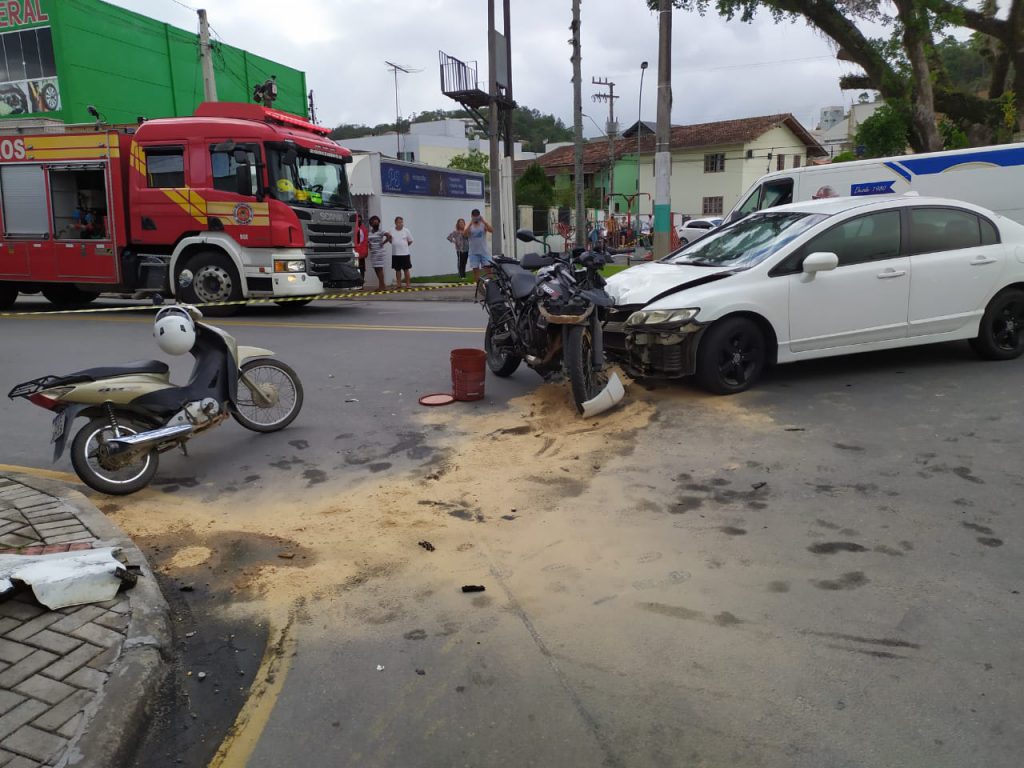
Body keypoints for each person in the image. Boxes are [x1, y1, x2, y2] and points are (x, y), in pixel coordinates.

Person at [464, 208, 493, 283]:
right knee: (476, 271)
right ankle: (479, 287)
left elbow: (491, 230)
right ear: (472, 216)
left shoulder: (483, 224)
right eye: (474, 216)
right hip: (473, 252)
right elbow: (464, 233)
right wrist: (471, 222)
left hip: (484, 251)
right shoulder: (469, 225)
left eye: (477, 216)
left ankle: (491, 285)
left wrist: (484, 221)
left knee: (488, 270)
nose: (476, 218)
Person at [389, 216, 414, 288]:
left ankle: (408, 284)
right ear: (395, 223)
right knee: (397, 270)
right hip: (395, 254)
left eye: (401, 222)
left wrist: (404, 246)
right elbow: (390, 241)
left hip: (405, 253)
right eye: (398, 222)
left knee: (406, 269)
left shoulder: (406, 230)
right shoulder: (391, 230)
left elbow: (410, 241)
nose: (400, 224)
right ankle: (399, 284)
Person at [366, 215, 389, 290]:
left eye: (377, 222)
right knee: (376, 269)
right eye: (374, 222)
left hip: (379, 252)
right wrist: (369, 244)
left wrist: (383, 243)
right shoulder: (370, 232)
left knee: (379, 268)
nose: (375, 223)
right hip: (373, 252)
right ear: (371, 224)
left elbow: (389, 236)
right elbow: (368, 240)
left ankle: (382, 286)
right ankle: (382, 285)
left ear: (379, 223)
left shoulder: (381, 231)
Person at [353, 213, 369, 287]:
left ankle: (361, 284)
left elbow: (365, 241)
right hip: (354, 251)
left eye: (360, 219)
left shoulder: (364, 229)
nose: (358, 220)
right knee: (354, 268)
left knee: (361, 268)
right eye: (357, 219)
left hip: (361, 252)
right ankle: (354, 284)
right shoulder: (352, 227)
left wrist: (364, 251)